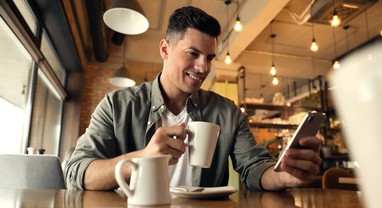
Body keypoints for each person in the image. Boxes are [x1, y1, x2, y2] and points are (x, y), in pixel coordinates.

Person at [65, 6, 322, 191]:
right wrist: (142, 158)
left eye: (209, 57)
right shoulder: (116, 105)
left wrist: (282, 177)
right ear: (165, 49)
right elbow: (77, 172)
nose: (203, 67)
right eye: (193, 53)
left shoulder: (227, 112)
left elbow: (253, 166)